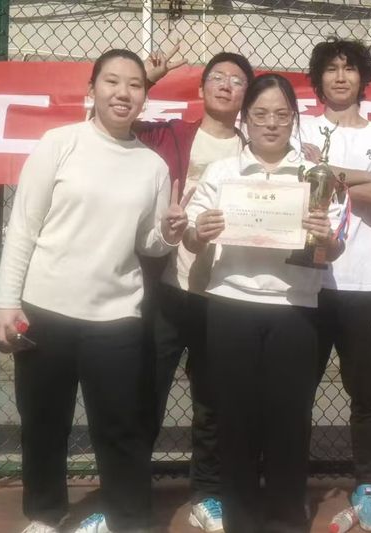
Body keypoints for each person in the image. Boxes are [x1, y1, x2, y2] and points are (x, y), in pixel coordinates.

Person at [0, 49, 189, 533]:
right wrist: (5, 301)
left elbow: (148, 243)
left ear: (144, 96)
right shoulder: (59, 143)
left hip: (116, 316)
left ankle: (129, 519)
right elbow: (24, 227)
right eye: (112, 82)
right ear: (92, 89)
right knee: (43, 422)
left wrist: (169, 233)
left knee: (122, 427)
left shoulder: (152, 166)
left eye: (135, 85)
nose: (123, 93)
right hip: (45, 308)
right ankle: (46, 513)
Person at [184, 73, 344, 533]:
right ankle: (241, 519)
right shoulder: (223, 173)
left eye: (281, 114)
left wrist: (325, 239)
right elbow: (192, 238)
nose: (271, 123)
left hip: (295, 308)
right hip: (230, 304)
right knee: (234, 419)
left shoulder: (315, 175)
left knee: (289, 420)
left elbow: (332, 250)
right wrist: (200, 231)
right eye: (260, 114)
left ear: (293, 119)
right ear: (245, 119)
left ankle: (286, 519)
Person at [137, 45, 255, 533]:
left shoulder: (254, 150)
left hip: (223, 296)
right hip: (169, 286)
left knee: (212, 403)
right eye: (218, 77)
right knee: (146, 392)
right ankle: (129, 491)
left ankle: (207, 495)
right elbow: (105, 123)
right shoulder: (171, 135)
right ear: (202, 87)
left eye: (238, 81)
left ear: (247, 96)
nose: (227, 86)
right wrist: (146, 79)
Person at [299, 37, 371, 531]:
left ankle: (367, 488)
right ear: (318, 79)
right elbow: (293, 181)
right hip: (303, 280)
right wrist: (362, 178)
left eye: (349, 69)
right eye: (331, 69)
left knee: (364, 395)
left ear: (363, 78)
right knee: (296, 391)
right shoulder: (300, 127)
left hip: (362, 282)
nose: (340, 77)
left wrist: (330, 172)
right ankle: (289, 483)